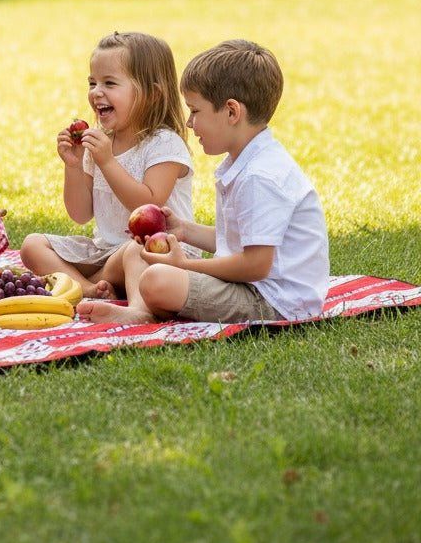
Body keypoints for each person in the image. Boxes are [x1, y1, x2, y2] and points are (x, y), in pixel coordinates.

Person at [78, 39, 329, 325]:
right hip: (254, 288)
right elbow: (235, 240)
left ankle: (141, 313)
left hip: (273, 302)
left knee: (158, 280)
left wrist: (184, 265)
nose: (188, 123)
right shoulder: (246, 163)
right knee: (152, 268)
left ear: (232, 112)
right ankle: (147, 306)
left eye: (195, 111)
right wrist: (183, 229)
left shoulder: (260, 176)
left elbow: (256, 265)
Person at [19, 31, 195, 300]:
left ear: (152, 94)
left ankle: (83, 282)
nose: (96, 92)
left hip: (158, 251)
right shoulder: (100, 145)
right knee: (32, 245)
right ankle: (89, 288)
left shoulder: (164, 143)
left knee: (133, 253)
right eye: (92, 83)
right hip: (107, 251)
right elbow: (80, 214)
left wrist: (108, 162)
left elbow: (148, 203)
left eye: (110, 83)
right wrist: (74, 166)